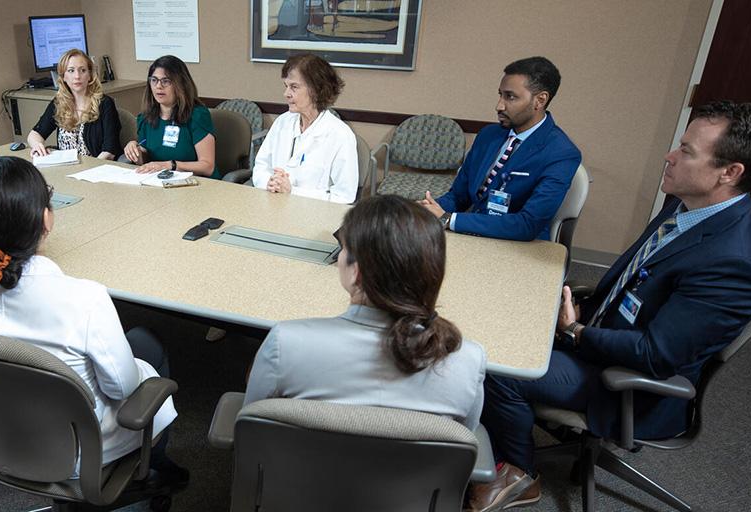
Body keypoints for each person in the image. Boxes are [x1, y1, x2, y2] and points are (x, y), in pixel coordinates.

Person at [470, 101, 751, 511]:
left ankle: (519, 472)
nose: (670, 156)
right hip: (605, 339)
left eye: (687, 152)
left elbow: (655, 357)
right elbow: (634, 281)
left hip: (627, 380)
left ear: (730, 173)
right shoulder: (685, 205)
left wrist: (577, 332)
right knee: (504, 316)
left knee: (499, 367)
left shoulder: (732, 261)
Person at [0, 156, 186, 483]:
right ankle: (152, 467)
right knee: (147, 345)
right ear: (46, 219)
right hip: (77, 450)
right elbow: (122, 388)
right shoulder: (83, 299)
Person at [244, 195, 487, 432]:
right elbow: (462, 439)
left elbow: (252, 425)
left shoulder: (286, 343)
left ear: (356, 272)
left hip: (304, 472)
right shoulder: (467, 360)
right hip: (409, 474)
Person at [419, 56, 581, 241]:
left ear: (540, 100)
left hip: (519, 245)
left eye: (510, 97)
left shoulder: (561, 153)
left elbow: (527, 224)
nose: (499, 105)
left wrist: (449, 219)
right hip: (471, 231)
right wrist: (427, 209)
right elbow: (458, 196)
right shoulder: (488, 135)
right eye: (500, 94)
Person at [251, 53, 359, 204]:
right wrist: (269, 182)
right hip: (273, 205)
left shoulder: (340, 135)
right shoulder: (282, 122)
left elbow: (344, 196)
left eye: (294, 87)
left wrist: (292, 191)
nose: (286, 94)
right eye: (286, 86)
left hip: (314, 215)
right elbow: (261, 166)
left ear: (316, 90)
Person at [123, 55, 217, 177]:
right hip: (160, 182)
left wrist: (171, 165)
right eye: (154, 80)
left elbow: (207, 167)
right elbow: (145, 161)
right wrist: (135, 150)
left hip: (197, 183)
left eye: (166, 81)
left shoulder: (197, 116)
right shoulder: (146, 118)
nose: (158, 86)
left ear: (180, 84)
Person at [28, 48, 121, 160]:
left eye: (82, 70)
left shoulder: (105, 104)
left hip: (95, 170)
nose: (77, 76)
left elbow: (109, 151)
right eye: (71, 70)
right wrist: (38, 145)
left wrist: (88, 170)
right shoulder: (59, 103)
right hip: (65, 168)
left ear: (90, 75)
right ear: (63, 77)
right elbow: (35, 134)